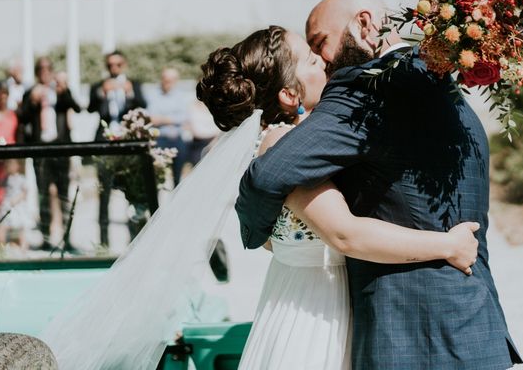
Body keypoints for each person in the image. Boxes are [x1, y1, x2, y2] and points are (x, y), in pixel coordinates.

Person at [41, 26, 480, 370]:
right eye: (311, 59)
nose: (325, 60)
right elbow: (344, 236)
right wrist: (448, 245)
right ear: (289, 95)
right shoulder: (286, 150)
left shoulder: (275, 144)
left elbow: (271, 239)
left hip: (299, 296)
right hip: (315, 318)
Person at [235, 0, 522, 369]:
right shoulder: (438, 79)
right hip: (474, 320)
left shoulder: (365, 89)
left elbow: (268, 174)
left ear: (364, 24)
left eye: (321, 43)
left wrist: (256, 234)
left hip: (410, 332)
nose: (321, 59)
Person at [18, 59, 81, 251]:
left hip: (61, 146)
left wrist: (65, 90)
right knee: (43, 193)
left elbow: (77, 107)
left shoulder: (59, 90)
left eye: (48, 69)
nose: (45, 72)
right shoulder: (31, 91)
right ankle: (45, 239)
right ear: (37, 72)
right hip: (41, 148)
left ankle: (67, 238)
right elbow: (22, 117)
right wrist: (32, 101)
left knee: (64, 193)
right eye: (41, 69)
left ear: (52, 71)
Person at [88, 50, 147, 246]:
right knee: (104, 191)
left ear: (124, 64)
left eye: (118, 65)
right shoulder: (99, 85)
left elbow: (143, 105)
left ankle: (136, 238)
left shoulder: (134, 84)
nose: (114, 69)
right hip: (105, 141)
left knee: (132, 191)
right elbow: (89, 108)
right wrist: (101, 93)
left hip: (127, 142)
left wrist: (129, 92)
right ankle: (103, 242)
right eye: (110, 65)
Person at [148, 67, 187, 186]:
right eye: (165, 79)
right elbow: (151, 118)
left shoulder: (181, 95)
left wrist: (163, 119)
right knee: (157, 176)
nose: (167, 82)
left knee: (178, 176)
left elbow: (184, 118)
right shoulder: (153, 94)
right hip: (160, 139)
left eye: (171, 80)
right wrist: (172, 119)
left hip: (176, 139)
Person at [0, 80, 19, 243]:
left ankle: (2, 244)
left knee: (5, 205)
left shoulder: (12, 115)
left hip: (8, 166)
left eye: (4, 93)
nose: (1, 96)